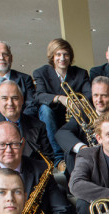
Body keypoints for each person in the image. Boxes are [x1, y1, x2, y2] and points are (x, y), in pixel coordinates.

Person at [33, 38, 91, 167]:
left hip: (74, 116)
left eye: (66, 54)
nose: (62, 58)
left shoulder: (81, 73)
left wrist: (78, 102)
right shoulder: (41, 72)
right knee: (45, 109)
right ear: (52, 57)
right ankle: (59, 158)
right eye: (58, 54)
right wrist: (60, 98)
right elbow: (39, 96)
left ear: (70, 56)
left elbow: (89, 94)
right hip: (52, 116)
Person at [0, 80, 53, 160]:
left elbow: (47, 158)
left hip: (31, 171)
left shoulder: (38, 125)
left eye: (15, 98)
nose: (10, 103)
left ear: (22, 100)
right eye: (5, 98)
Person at [0, 41, 37, 117]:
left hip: (19, 125)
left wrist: (17, 122)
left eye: (5, 54)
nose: (1, 58)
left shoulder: (25, 79)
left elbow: (31, 107)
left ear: (11, 58)